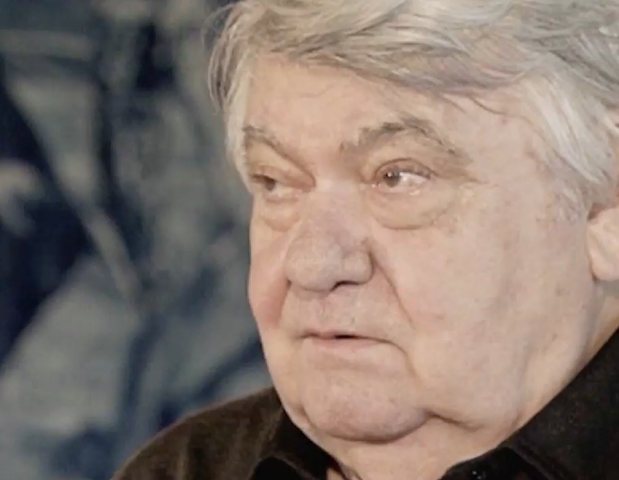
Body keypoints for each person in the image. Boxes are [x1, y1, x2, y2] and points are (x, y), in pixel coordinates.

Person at [111, 0, 619, 479]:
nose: (312, 265)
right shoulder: (188, 469)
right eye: (276, 181)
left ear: (605, 207)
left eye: (397, 177)